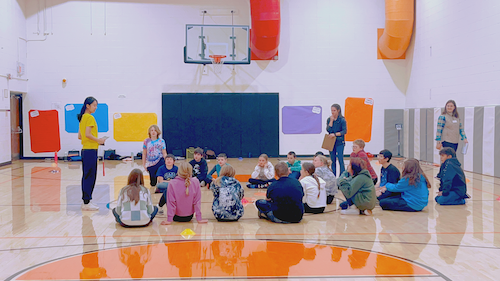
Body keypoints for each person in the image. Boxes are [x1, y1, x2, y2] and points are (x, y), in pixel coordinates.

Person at [77, 96, 107, 211]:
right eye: (94, 105)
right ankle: (86, 202)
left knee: (86, 175)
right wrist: (99, 140)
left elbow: (80, 136)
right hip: (90, 151)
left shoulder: (82, 118)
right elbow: (88, 135)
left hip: (85, 150)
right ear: (88, 106)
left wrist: (93, 140)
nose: (95, 108)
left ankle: (86, 201)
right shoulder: (89, 117)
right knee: (90, 176)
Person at [326, 104, 347, 176]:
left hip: (339, 141)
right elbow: (328, 130)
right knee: (333, 160)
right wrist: (331, 121)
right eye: (331, 110)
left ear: (338, 110)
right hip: (331, 142)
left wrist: (334, 134)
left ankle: (342, 175)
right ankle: (333, 175)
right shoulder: (329, 119)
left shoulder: (342, 120)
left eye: (334, 110)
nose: (332, 112)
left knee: (340, 159)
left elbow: (344, 131)